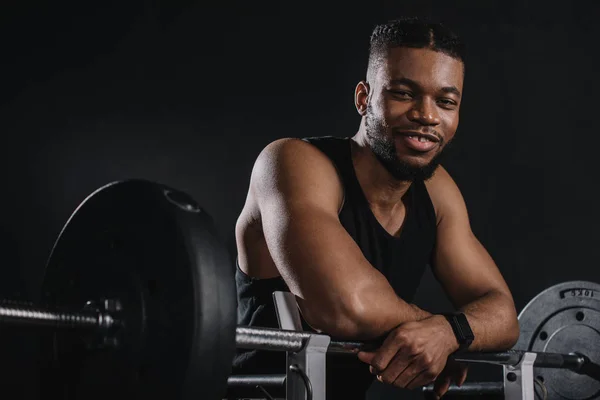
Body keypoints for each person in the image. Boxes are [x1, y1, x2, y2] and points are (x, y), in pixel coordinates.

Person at [231, 16, 520, 400]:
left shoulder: (436, 192)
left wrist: (449, 334)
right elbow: (347, 307)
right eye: (404, 93)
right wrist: (447, 333)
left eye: (445, 102)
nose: (427, 115)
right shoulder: (293, 163)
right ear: (364, 98)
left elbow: (503, 314)